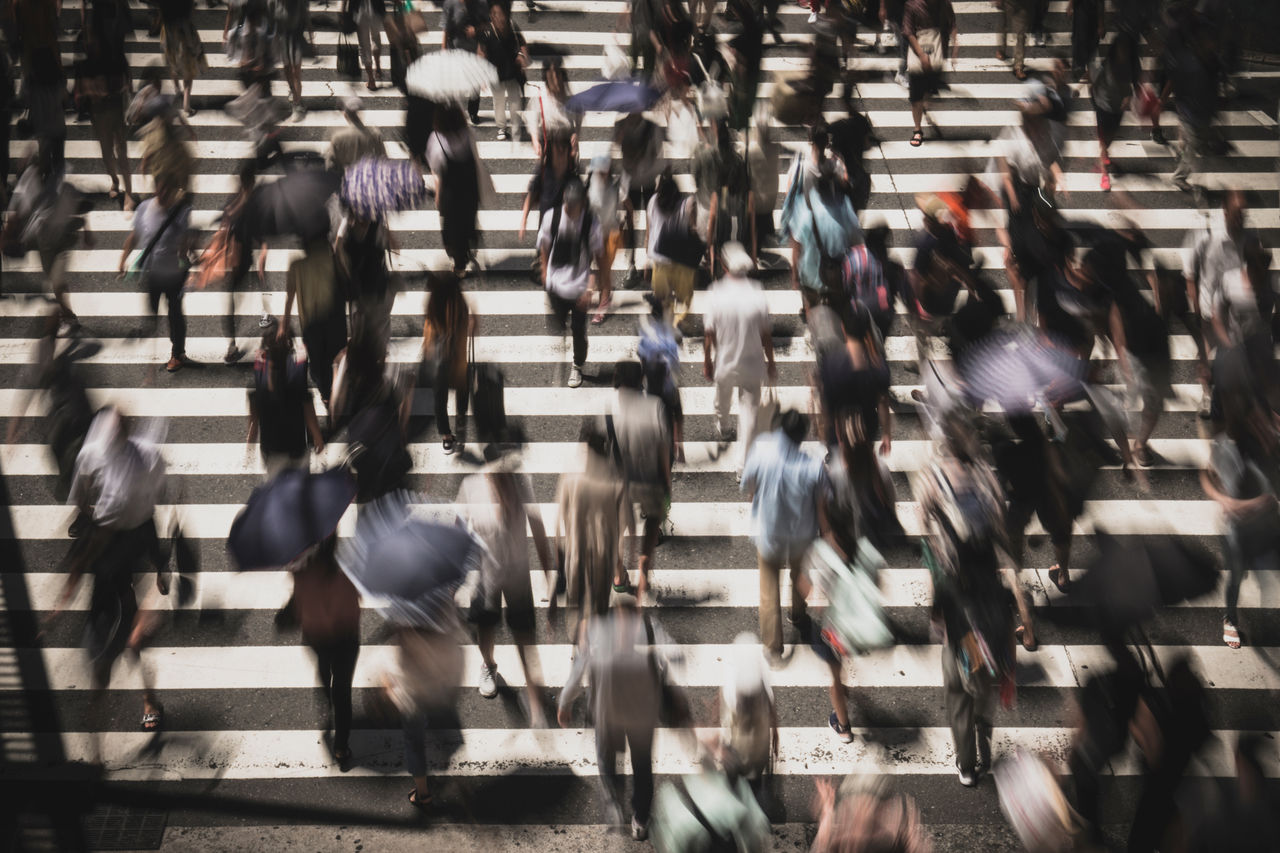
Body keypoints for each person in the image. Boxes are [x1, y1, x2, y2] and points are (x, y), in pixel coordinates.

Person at [918, 409, 1036, 787]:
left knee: (958, 685)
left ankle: (967, 762)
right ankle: (984, 720)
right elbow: (1004, 542)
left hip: (957, 603)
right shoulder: (988, 482)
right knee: (980, 673)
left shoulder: (932, 480)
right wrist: (1022, 608)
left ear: (947, 445)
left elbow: (925, 533)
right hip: (989, 601)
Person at [52, 408, 169, 757]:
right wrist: (60, 605)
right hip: (106, 598)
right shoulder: (92, 456)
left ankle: (147, 702)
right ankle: (98, 752)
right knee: (103, 671)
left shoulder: (145, 458)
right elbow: (81, 496)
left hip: (127, 569)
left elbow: (159, 505)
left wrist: (154, 588)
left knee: (131, 649)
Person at [557, 595, 676, 840]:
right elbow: (673, 656)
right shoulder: (648, 628)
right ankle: (639, 818)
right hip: (639, 714)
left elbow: (578, 669)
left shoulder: (597, 631)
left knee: (608, 760)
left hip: (607, 711)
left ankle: (616, 807)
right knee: (639, 767)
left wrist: (565, 702)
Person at [456, 447, 554, 724]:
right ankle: (488, 665)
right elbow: (459, 529)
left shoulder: (521, 482)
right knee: (485, 629)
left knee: (525, 638)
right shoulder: (472, 487)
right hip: (487, 576)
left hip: (519, 577)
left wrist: (550, 576)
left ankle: (535, 700)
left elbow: (537, 527)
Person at [741, 410, 827, 665]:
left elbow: (747, 484)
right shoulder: (812, 466)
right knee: (799, 575)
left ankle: (774, 648)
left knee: (769, 590)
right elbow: (822, 503)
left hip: (769, 533)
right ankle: (798, 615)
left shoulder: (761, 450)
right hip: (802, 534)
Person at [555, 420, 634, 638]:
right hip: (602, 555)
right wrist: (618, 568)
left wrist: (559, 562)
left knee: (577, 607)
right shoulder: (615, 480)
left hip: (575, 553)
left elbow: (560, 522)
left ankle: (579, 648)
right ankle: (594, 653)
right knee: (599, 610)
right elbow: (622, 528)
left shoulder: (571, 477)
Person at [704, 242, 775, 477]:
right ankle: (742, 468)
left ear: (724, 267)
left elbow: (709, 333)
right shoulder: (757, 292)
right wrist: (771, 362)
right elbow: (766, 335)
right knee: (749, 416)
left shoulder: (715, 292)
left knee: (722, 399)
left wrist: (707, 359)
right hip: (752, 363)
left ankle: (723, 426)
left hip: (725, 361)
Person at [290, 533, 360, 770]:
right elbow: (355, 598)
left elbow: (296, 603)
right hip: (346, 636)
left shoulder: (301, 569)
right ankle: (341, 747)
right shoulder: (346, 568)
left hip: (316, 635)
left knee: (322, 666)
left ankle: (324, 698)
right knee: (343, 689)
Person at [605, 361, 671, 602]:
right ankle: (644, 567)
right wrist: (667, 480)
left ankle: (618, 577)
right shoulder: (654, 406)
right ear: (640, 379)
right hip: (650, 477)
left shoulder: (611, 405)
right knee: (653, 522)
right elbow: (664, 449)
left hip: (620, 479)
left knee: (616, 529)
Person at [117, 178, 195, 373]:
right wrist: (123, 259)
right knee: (152, 314)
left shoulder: (181, 212)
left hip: (173, 275)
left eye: (167, 190)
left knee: (175, 314)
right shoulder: (144, 208)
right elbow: (134, 236)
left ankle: (177, 353)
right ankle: (173, 343)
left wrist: (187, 262)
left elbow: (185, 245)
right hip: (152, 273)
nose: (163, 194)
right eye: (160, 188)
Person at [538, 180, 603, 389]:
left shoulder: (590, 223)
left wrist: (591, 288)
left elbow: (597, 259)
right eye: (568, 204)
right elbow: (545, 245)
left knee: (577, 329)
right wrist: (545, 272)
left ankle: (577, 364)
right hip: (556, 286)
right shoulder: (553, 217)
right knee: (558, 324)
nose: (571, 209)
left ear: (583, 203)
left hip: (579, 290)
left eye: (575, 205)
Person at [247, 324, 325, 476]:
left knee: (276, 494)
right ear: (289, 346)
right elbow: (308, 409)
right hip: (297, 447)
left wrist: (250, 441)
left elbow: (253, 418)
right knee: (300, 494)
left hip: (272, 449)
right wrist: (317, 437)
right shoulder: (297, 375)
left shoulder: (260, 376)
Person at [79, 0, 136, 210]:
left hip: (114, 103)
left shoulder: (113, 52)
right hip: (98, 108)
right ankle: (114, 179)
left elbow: (124, 72)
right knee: (106, 151)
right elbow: (81, 86)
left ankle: (129, 193)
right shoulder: (88, 62)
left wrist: (122, 86)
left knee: (121, 149)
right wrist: (92, 90)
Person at [280, 238, 348, 409]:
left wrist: (284, 324)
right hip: (333, 318)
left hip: (313, 322)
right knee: (334, 358)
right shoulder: (333, 257)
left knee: (319, 363)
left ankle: (328, 394)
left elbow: (289, 297)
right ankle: (334, 392)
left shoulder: (299, 265)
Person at [422, 272, 474, 454]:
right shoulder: (460, 305)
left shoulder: (433, 304)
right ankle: (460, 418)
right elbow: (468, 328)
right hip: (457, 358)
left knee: (439, 397)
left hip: (437, 360)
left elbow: (428, 330)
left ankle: (446, 436)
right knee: (462, 386)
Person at [646, 169, 701, 328]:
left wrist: (646, 257)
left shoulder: (653, 201)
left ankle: (667, 322)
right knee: (685, 298)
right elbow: (693, 229)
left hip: (659, 258)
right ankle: (680, 320)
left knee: (663, 298)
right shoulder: (687, 203)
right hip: (681, 259)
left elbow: (649, 231)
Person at [902, 0, 957, 147]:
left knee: (930, 88)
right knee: (916, 96)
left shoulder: (944, 4)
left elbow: (951, 22)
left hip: (938, 52)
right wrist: (921, 55)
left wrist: (956, 43)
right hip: (918, 50)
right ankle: (917, 130)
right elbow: (908, 32)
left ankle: (925, 101)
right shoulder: (913, 5)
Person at [478, 0, 528, 141]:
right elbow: (482, 53)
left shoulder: (512, 26)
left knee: (515, 101)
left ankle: (516, 124)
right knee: (498, 101)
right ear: (491, 15)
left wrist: (522, 56)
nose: (499, 17)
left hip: (512, 72)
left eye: (501, 13)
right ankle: (501, 127)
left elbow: (522, 43)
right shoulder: (487, 31)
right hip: (495, 75)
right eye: (495, 14)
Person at [587, 155, 622, 324]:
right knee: (592, 269)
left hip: (610, 234)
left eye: (604, 171)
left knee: (604, 271)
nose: (602, 174)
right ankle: (601, 293)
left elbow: (627, 205)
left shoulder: (615, 187)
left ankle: (602, 306)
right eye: (599, 171)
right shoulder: (590, 185)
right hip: (593, 233)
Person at [157, 0, 207, 115]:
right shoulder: (184, 21)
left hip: (171, 48)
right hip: (184, 50)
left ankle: (177, 89)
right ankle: (186, 105)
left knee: (173, 68)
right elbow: (190, 39)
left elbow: (163, 40)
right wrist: (196, 50)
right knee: (188, 77)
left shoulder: (166, 21)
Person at [442, 0, 488, 122]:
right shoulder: (450, 3)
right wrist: (444, 50)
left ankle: (473, 112)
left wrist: (476, 29)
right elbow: (445, 27)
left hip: (475, 50)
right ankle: (454, 112)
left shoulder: (481, 3)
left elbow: (488, 24)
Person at [529, 58, 579, 158]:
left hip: (566, 138)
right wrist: (535, 141)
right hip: (548, 138)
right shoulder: (539, 96)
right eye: (551, 75)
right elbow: (532, 119)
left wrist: (576, 134)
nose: (555, 79)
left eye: (557, 74)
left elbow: (578, 115)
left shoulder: (568, 95)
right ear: (546, 77)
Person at [272, 0, 311, 120]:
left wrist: (311, 41)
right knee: (287, 70)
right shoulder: (274, 3)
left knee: (296, 73)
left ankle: (297, 104)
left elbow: (307, 19)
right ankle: (293, 91)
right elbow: (271, 22)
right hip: (282, 40)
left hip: (296, 39)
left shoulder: (299, 3)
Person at [327, 97, 387, 171]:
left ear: (345, 115)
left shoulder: (338, 138)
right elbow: (384, 162)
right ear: (361, 114)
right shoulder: (375, 135)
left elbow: (330, 166)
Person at [344, 0, 387, 91]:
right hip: (376, 8)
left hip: (360, 11)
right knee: (376, 37)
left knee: (364, 45)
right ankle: (378, 68)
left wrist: (343, 10)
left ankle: (371, 80)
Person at [996, 0, 1031, 80]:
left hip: (1024, 4)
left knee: (1021, 34)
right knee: (1004, 24)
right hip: (1007, 2)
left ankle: (1018, 66)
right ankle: (1001, 48)